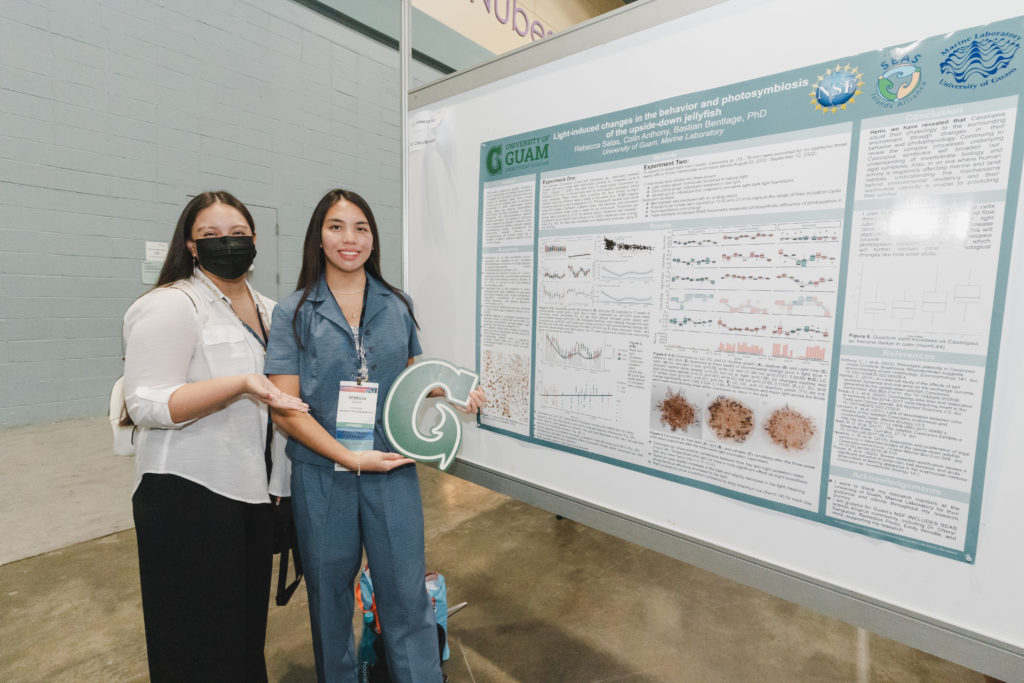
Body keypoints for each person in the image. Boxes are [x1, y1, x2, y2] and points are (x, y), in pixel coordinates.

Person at [265, 188, 485, 682]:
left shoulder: (396, 305)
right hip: (323, 476)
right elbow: (284, 410)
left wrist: (448, 394)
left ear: (373, 238)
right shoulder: (293, 312)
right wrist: (348, 456)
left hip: (390, 470)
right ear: (318, 238)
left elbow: (411, 381)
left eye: (361, 227)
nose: (350, 238)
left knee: (405, 596)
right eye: (337, 227)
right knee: (329, 600)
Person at [122, 191, 308, 682]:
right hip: (187, 492)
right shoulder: (172, 305)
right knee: (194, 640)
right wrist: (240, 385)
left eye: (238, 234)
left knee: (242, 635)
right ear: (190, 244)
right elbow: (146, 403)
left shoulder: (271, 310)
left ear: (254, 239)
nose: (228, 243)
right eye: (211, 235)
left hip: (249, 489)